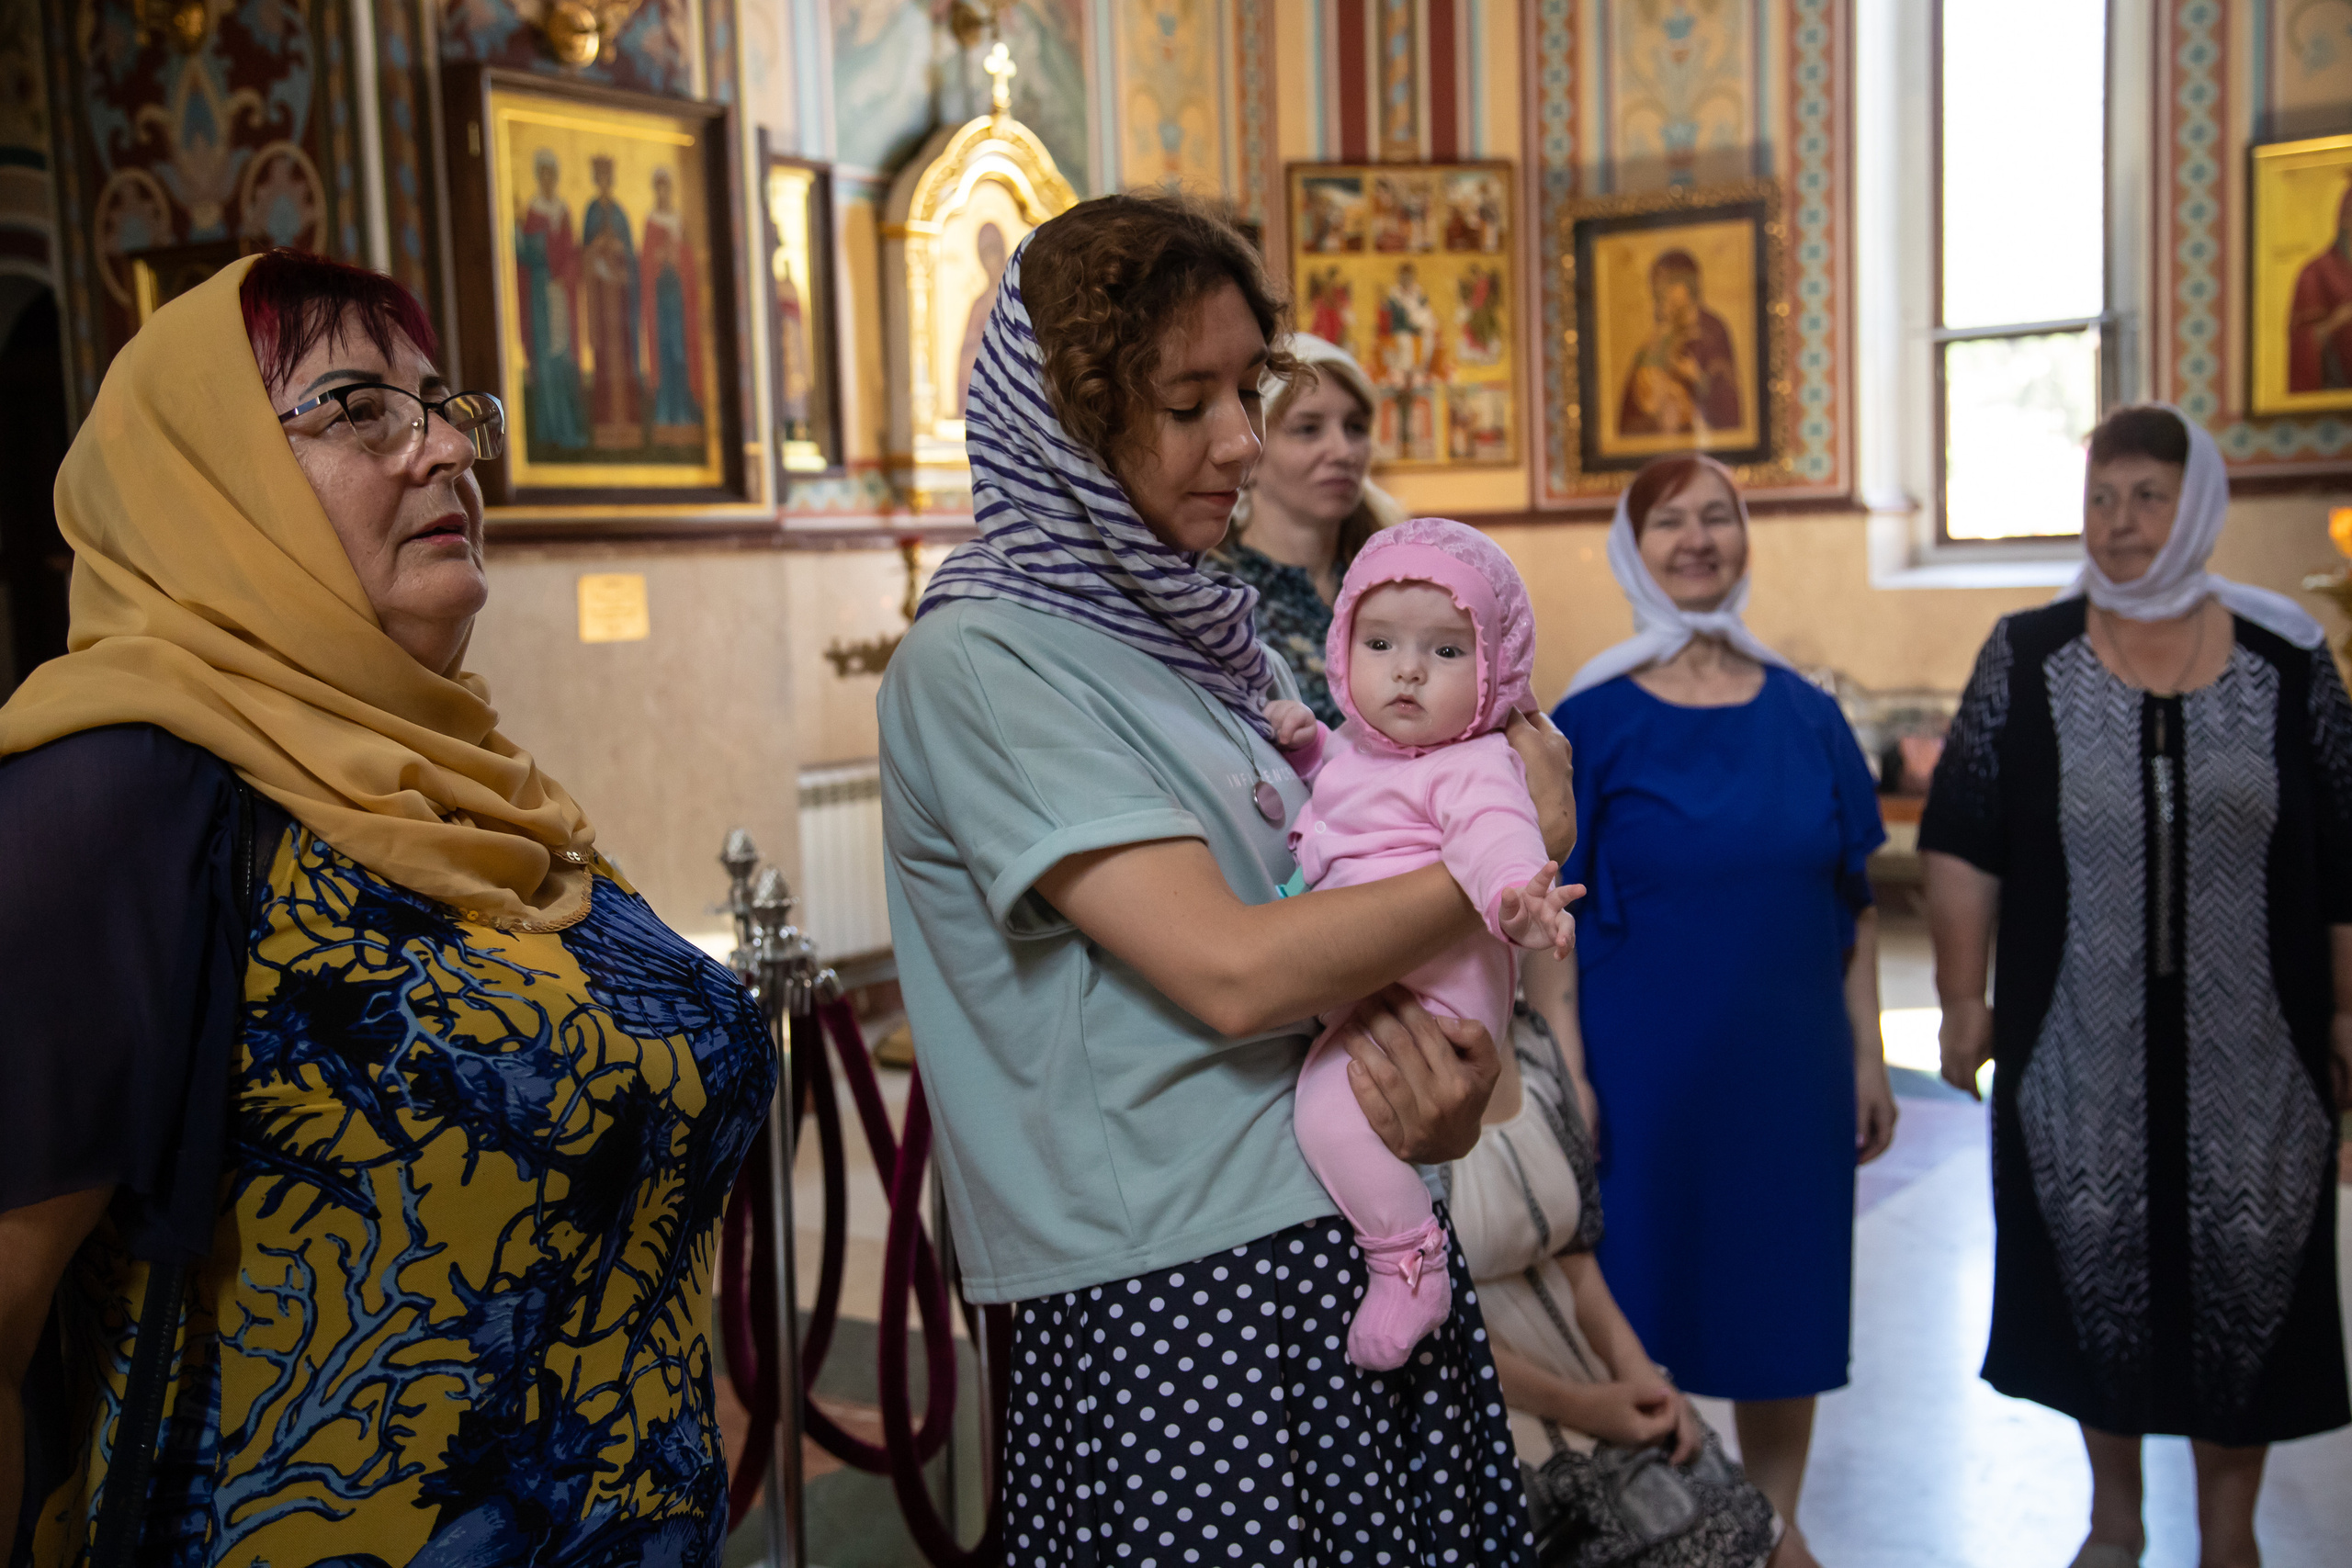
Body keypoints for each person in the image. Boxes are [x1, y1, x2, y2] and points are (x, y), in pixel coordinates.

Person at [0, 251, 775, 1567]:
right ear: (208, 487)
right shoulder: (114, 797)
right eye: (358, 408)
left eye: (444, 407)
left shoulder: (477, 786)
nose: (447, 451)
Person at [877, 191, 1575, 1566]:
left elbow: (1340, 925)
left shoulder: (1194, 636)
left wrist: (1442, 1092)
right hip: (1182, 1294)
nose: (1243, 440)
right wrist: (1512, 842)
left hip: (1340, 1241)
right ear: (1067, 424)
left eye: (1245, 388)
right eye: (1185, 403)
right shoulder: (986, 659)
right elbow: (1236, 970)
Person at [1921, 403, 2352, 1568]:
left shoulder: (2287, 660)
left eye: (2147, 496)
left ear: (2195, 504)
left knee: (2250, 1274)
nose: (2118, 522)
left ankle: (2229, 1539)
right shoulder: (2026, 655)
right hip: (2076, 1046)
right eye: (2100, 498)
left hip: (2259, 1054)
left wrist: (2349, 1012)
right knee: (2090, 1266)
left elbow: (2345, 857)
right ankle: (2113, 1521)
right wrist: (1963, 1000)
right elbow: (1960, 837)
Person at [1528, 453, 1894, 1560]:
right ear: (1630, 549)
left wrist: (1868, 1059)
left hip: (1790, 1068)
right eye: (1669, 522)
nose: (1697, 540)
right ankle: (1679, 1541)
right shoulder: (1588, 720)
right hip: (1644, 1074)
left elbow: (1855, 901)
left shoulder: (1806, 713)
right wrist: (1569, 1070)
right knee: (1641, 1310)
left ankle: (1774, 1535)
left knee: (1782, 1309)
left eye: (1717, 518)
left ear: (1744, 538)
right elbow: (1551, 913)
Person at [1263, 518, 1577, 1369]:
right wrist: (1310, 746)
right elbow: (1347, 793)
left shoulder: (1474, 764)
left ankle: (1409, 1261)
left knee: (1329, 1110)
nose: (1407, 669)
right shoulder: (1364, 744)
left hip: (1433, 991)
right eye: (1380, 643)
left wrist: (1519, 897)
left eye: (1445, 651)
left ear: (1496, 672)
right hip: (1367, 971)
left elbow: (1499, 835)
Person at [1449, 1008, 1791, 1568]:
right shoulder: (1380, 1065)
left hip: (1589, 1374)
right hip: (1482, 1403)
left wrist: (1643, 1377)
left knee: (1780, 1548)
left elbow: (1576, 1258)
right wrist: (1584, 1408)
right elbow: (1425, 1325)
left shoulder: (1530, 1037)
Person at [1219, 332, 1405, 726]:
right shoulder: (1219, 598)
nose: (1343, 451)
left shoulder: (1399, 576)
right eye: (1308, 429)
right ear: (1252, 452)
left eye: (1355, 427)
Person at [1618, 251, 1741, 437]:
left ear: (1689, 286)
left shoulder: (1713, 331)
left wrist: (1697, 378)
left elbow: (1728, 402)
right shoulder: (1657, 338)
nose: (1664, 293)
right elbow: (1628, 418)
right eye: (1659, 288)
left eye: (1671, 284)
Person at [514, 148, 589, 450]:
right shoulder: (532, 212)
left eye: (552, 173)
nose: (548, 179)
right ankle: (550, 429)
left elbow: (572, 253)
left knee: (564, 359)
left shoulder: (563, 210)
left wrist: (567, 268)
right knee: (545, 361)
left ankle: (568, 426)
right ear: (538, 176)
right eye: (543, 173)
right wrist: (539, 245)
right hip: (541, 294)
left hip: (561, 292)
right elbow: (526, 253)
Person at [2289, 182, 2352, 394]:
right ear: (2345, 220)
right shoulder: (2315, 272)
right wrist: (2337, 321)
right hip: (2335, 385)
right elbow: (2300, 342)